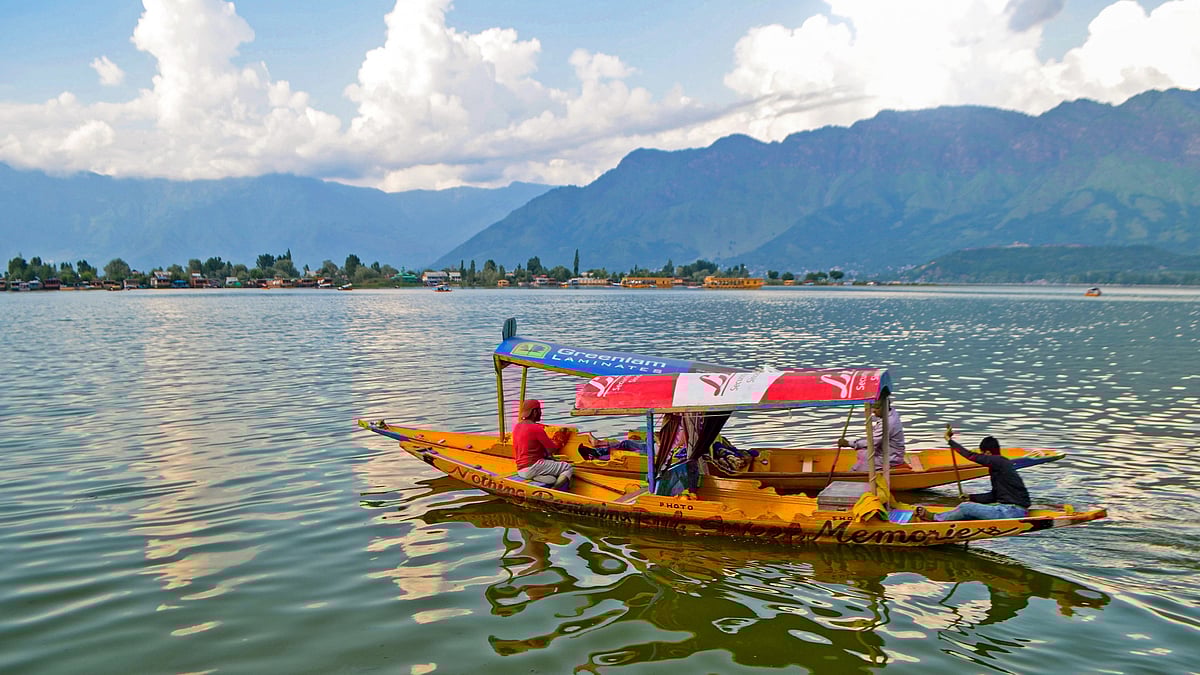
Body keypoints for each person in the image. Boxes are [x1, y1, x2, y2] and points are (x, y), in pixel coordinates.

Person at [915, 427, 1030, 522]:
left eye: (983, 454)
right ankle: (945, 519)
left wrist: (950, 441)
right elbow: (994, 496)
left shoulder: (998, 461)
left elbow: (971, 456)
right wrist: (971, 497)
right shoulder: (1001, 467)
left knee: (965, 507)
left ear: (988, 453)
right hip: (1013, 510)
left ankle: (934, 518)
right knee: (967, 507)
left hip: (1011, 512)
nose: (983, 458)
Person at [513, 399, 574, 489]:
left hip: (521, 470)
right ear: (534, 412)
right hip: (533, 466)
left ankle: (538, 477)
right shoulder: (536, 428)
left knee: (552, 479)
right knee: (567, 467)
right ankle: (555, 490)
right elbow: (552, 449)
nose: (541, 413)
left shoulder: (517, 426)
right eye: (539, 410)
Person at [839, 398, 906, 472]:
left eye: (877, 408)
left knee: (861, 464)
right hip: (886, 453)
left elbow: (872, 442)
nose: (873, 410)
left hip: (890, 458)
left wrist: (848, 443)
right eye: (872, 407)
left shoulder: (888, 423)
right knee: (862, 452)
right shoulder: (890, 413)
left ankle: (853, 476)